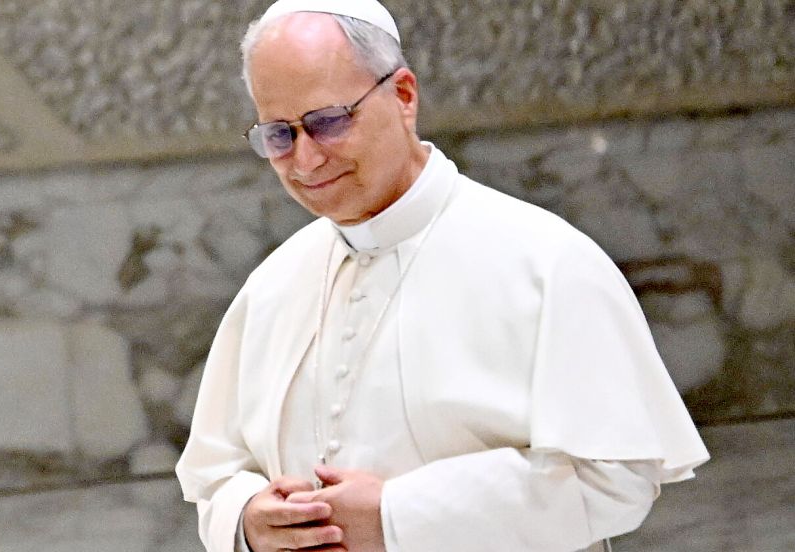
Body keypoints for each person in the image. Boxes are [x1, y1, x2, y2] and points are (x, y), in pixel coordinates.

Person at [176, 1, 710, 551]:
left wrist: (397, 516)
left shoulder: (545, 261)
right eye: (279, 136)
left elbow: (614, 478)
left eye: (328, 122)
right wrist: (248, 520)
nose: (306, 160)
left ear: (403, 96)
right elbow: (214, 473)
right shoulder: (273, 284)